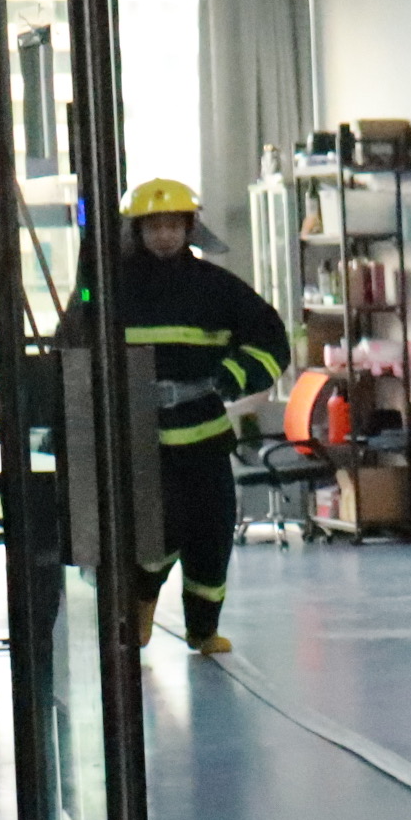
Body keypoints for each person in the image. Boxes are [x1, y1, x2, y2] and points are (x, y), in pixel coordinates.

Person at [113, 177, 290, 654]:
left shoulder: (215, 287)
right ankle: (141, 606)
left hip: (205, 436)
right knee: (159, 531)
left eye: (174, 225)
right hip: (137, 438)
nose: (165, 236)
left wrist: (235, 374)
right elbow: (76, 345)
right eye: (154, 226)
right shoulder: (110, 287)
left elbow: (271, 339)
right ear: (136, 231)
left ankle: (203, 629)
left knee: (212, 532)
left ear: (190, 228)